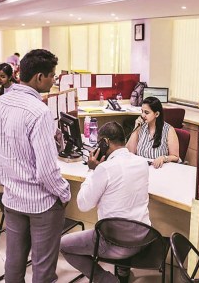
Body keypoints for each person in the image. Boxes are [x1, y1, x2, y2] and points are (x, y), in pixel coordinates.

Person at [0, 49, 71, 283]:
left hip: (12, 198)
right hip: (41, 203)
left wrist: (6, 182)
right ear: (39, 77)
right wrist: (63, 193)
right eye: (53, 75)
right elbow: (46, 170)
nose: (54, 80)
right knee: (42, 267)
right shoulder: (39, 112)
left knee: (14, 261)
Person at [60, 121, 150, 283]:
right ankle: (123, 272)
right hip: (143, 238)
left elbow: (83, 204)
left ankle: (105, 280)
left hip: (116, 243)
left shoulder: (104, 169)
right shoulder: (142, 163)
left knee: (63, 245)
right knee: (124, 217)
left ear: (105, 142)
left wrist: (91, 170)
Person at [126, 96, 179, 168]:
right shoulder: (141, 127)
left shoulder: (169, 130)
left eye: (146, 113)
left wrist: (164, 158)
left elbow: (175, 157)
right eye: (142, 111)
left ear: (156, 114)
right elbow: (129, 152)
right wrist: (135, 129)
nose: (142, 115)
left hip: (159, 169)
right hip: (141, 168)